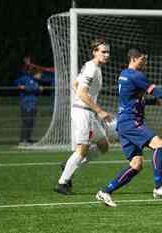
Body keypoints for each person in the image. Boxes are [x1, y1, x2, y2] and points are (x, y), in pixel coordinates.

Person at [96, 48, 162, 207]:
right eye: (143, 59)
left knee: (136, 164)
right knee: (159, 144)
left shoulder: (124, 74)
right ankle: (158, 187)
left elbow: (130, 98)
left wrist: (149, 102)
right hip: (131, 122)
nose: (145, 61)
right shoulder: (136, 75)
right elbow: (158, 92)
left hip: (123, 123)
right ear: (134, 58)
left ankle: (105, 191)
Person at [55, 38, 112, 195]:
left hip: (87, 111)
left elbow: (75, 85)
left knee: (103, 145)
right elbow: (81, 91)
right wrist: (98, 110)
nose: (106, 55)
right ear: (94, 52)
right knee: (82, 149)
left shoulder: (92, 67)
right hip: (83, 112)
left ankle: (69, 164)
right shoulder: (91, 68)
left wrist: (90, 106)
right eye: (103, 51)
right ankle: (62, 183)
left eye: (108, 52)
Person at [14, 68, 43, 146]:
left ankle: (28, 139)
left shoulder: (36, 82)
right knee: (26, 122)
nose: (40, 76)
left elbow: (35, 92)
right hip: (26, 104)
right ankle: (22, 140)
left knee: (31, 123)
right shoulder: (26, 78)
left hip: (33, 104)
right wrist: (20, 86)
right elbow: (16, 82)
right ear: (35, 73)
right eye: (39, 74)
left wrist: (39, 90)